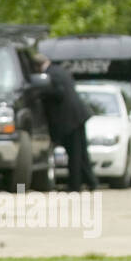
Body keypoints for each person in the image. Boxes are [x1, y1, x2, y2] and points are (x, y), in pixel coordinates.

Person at [36, 52, 97, 191]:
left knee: (75, 153)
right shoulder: (59, 70)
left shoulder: (51, 74)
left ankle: (75, 185)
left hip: (69, 118)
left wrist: (42, 94)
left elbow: (59, 93)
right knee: (81, 152)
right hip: (77, 115)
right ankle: (91, 182)